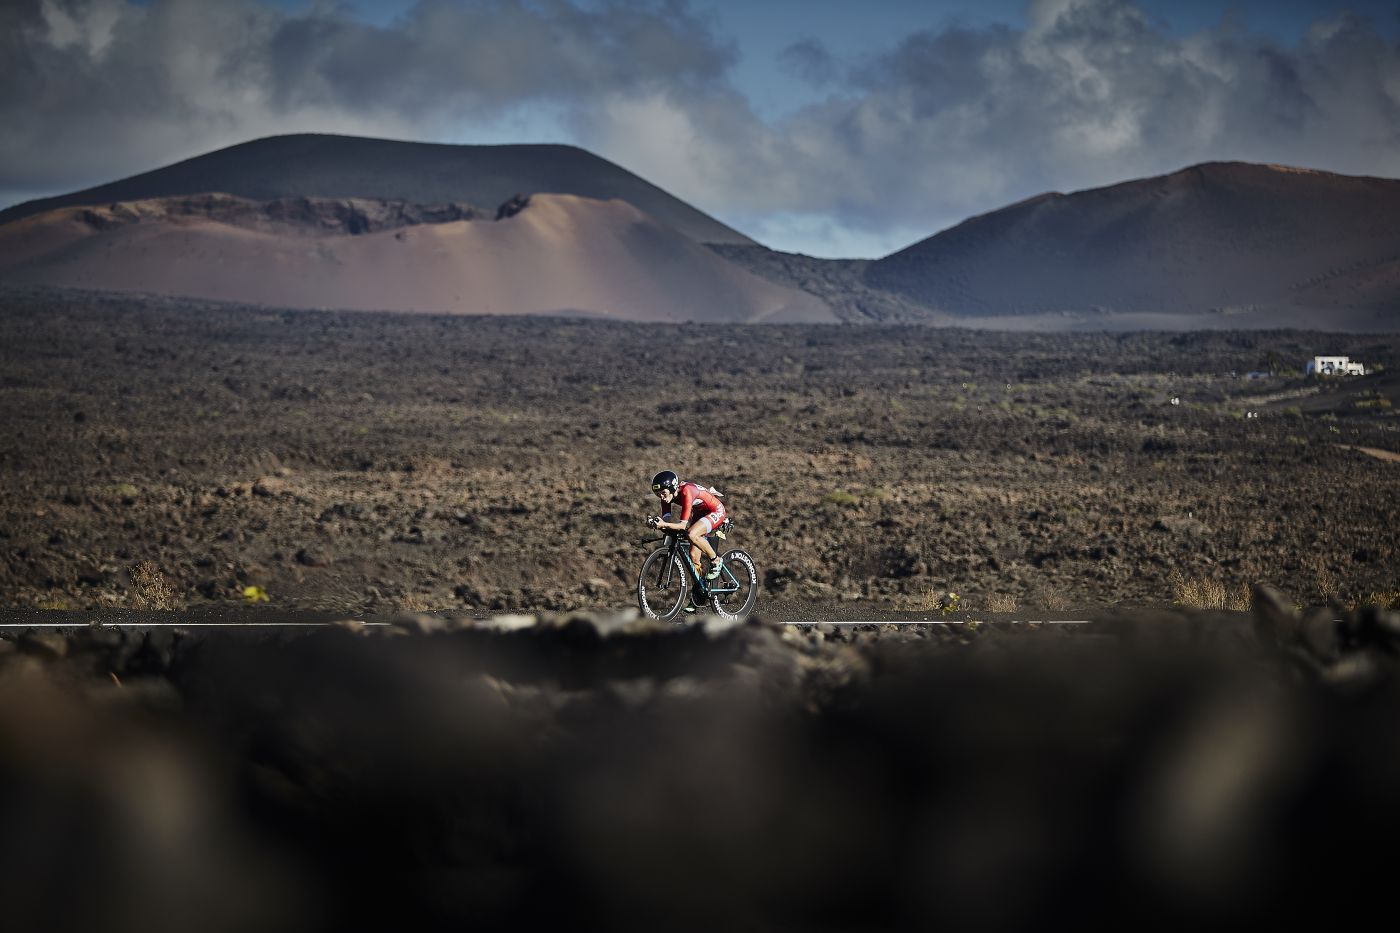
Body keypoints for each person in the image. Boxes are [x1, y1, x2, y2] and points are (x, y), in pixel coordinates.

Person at [647, 470, 727, 583]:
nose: (661, 496)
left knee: (692, 534)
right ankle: (700, 592)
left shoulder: (686, 491)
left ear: (672, 488)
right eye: (658, 494)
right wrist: (656, 524)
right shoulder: (666, 498)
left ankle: (716, 560)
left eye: (663, 492)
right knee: (694, 557)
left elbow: (681, 525)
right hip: (700, 514)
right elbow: (666, 522)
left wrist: (663, 524)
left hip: (715, 510)